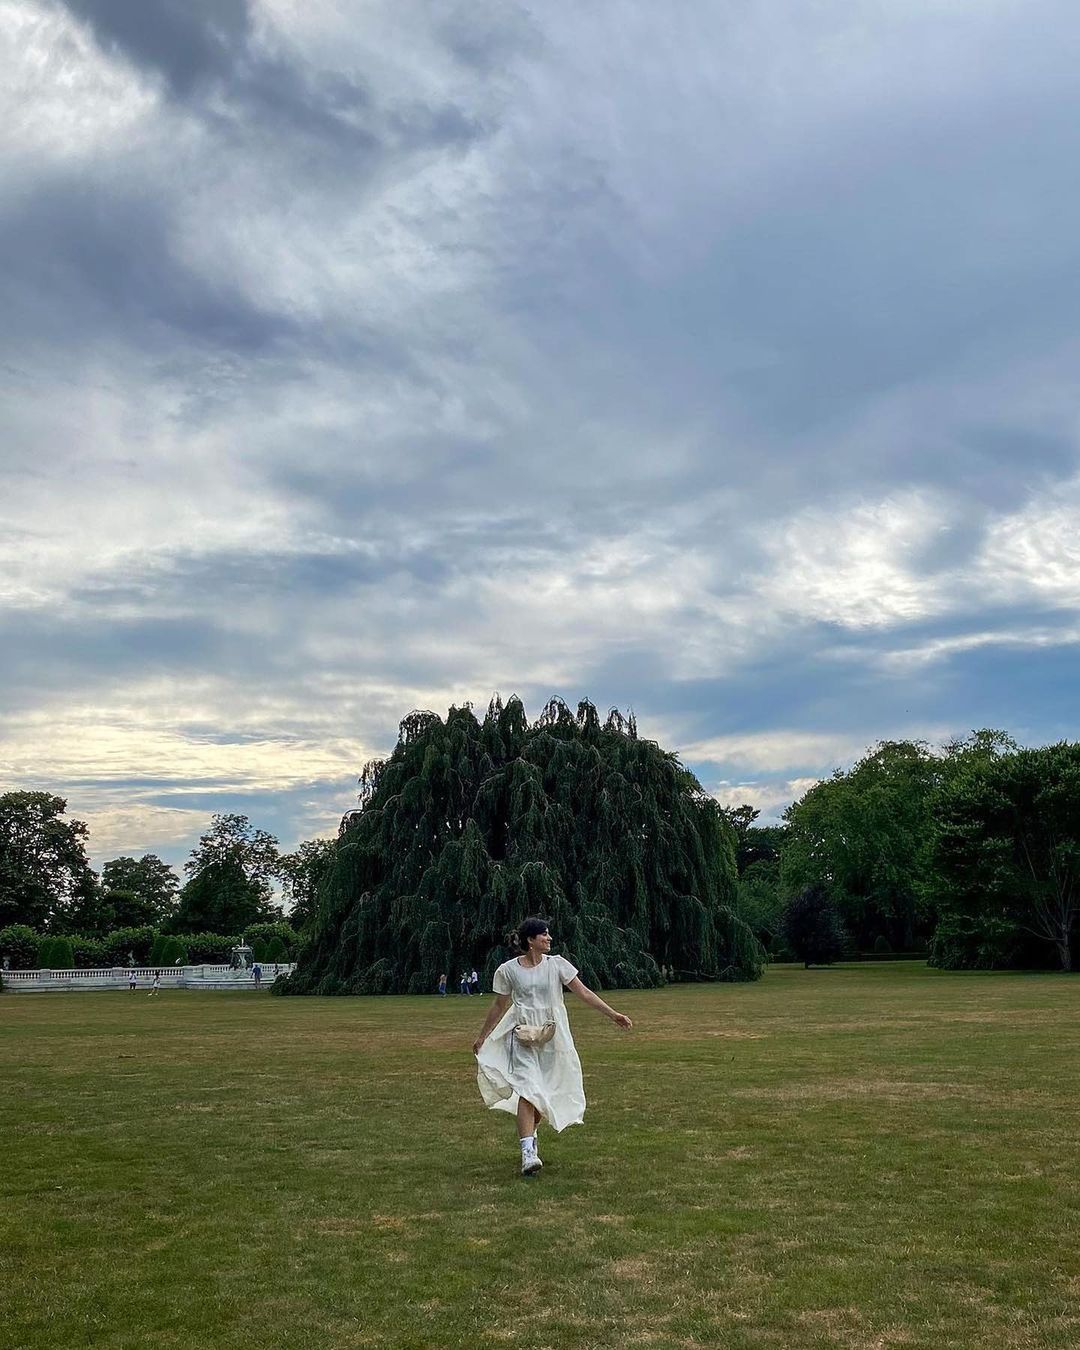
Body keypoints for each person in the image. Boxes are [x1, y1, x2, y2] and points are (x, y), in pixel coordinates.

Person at [473, 917, 633, 1176]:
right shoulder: (508, 970)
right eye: (544, 934)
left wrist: (613, 1014)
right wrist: (483, 1036)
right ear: (530, 940)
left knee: (542, 1093)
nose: (549, 938)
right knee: (527, 1089)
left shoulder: (557, 965)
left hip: (553, 1037)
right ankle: (528, 1153)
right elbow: (499, 1005)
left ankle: (531, 1135)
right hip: (522, 1036)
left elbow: (584, 993)